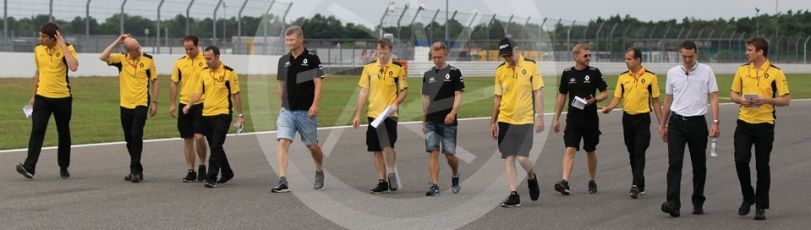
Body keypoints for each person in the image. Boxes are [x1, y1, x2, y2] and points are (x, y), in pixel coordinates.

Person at [730, 37, 791, 220]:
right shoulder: (742, 70)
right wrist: (740, 100)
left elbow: (786, 100)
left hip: (765, 124)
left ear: (760, 52)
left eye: (750, 50)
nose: (747, 53)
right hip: (744, 123)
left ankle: (761, 205)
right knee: (740, 160)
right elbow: (733, 94)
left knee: (762, 166)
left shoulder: (775, 73)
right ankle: (748, 196)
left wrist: (765, 100)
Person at [659, 40, 720, 217]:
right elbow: (668, 101)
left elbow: (713, 97)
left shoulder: (706, 71)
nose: (687, 60)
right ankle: (673, 203)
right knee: (674, 163)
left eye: (690, 56)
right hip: (676, 123)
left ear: (696, 53)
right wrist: (663, 125)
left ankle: (698, 201)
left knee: (699, 165)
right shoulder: (672, 73)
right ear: (680, 53)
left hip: (697, 123)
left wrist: (715, 122)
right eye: (684, 56)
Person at [16, 22, 79, 180]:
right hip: (42, 97)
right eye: (40, 36)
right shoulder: (38, 49)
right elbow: (38, 72)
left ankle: (63, 166)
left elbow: (73, 67)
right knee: (37, 130)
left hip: (62, 98)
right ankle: (29, 167)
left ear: (53, 38)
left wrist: (63, 45)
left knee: (63, 132)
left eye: (44, 36)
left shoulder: (67, 48)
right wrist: (33, 95)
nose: (40, 39)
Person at [601, 48, 663, 199]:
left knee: (639, 151)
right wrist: (609, 108)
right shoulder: (623, 77)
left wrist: (662, 123)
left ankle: (635, 184)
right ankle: (640, 183)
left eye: (629, 59)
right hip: (627, 119)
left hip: (643, 119)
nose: (626, 61)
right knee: (632, 152)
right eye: (626, 58)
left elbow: (655, 101)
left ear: (638, 60)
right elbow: (617, 97)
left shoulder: (650, 77)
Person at [271, 26, 326, 193]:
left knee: (313, 146)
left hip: (306, 111)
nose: (289, 43)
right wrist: (281, 104)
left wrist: (315, 105)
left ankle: (319, 171)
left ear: (301, 39)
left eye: (292, 39)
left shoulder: (312, 59)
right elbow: (281, 85)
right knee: (283, 141)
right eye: (287, 40)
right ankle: (283, 180)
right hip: (287, 111)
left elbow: (318, 84)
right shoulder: (283, 60)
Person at [490, 38, 543, 207]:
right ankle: (514, 194)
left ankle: (531, 176)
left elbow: (538, 92)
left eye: (509, 55)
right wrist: (493, 122)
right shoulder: (500, 70)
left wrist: (540, 116)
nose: (507, 59)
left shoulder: (531, 65)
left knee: (522, 158)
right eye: (504, 56)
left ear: (516, 50)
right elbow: (497, 97)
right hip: (505, 120)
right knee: (509, 158)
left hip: (525, 120)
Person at [351, 38, 408, 194]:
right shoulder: (369, 68)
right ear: (377, 51)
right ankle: (382, 181)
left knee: (388, 145)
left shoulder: (398, 68)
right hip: (373, 114)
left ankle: (391, 172)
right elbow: (363, 91)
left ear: (390, 51)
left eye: (385, 53)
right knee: (376, 148)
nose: (382, 55)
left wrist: (396, 103)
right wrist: (358, 113)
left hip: (389, 114)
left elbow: (404, 91)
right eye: (380, 52)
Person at [99, 34, 158, 183]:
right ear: (127, 50)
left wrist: (155, 102)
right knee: (128, 138)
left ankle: (134, 171)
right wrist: (117, 42)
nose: (138, 50)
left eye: (138, 47)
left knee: (136, 134)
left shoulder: (148, 59)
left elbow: (155, 81)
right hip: (125, 104)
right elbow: (103, 57)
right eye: (134, 49)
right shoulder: (121, 59)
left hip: (141, 102)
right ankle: (138, 168)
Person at [184, 46, 245, 188]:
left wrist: (240, 115)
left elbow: (236, 95)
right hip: (206, 114)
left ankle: (211, 177)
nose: (206, 61)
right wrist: (189, 105)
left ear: (217, 56)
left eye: (209, 58)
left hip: (223, 114)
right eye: (205, 58)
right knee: (214, 146)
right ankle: (227, 172)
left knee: (216, 145)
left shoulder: (229, 73)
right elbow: (198, 92)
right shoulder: (204, 72)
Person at [552, 44, 608, 195]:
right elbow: (562, 96)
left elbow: (605, 93)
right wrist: (556, 118)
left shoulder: (594, 72)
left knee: (590, 150)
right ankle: (565, 182)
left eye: (589, 55)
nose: (588, 58)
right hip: (573, 120)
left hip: (590, 120)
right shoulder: (567, 73)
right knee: (570, 149)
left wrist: (594, 99)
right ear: (576, 56)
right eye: (585, 55)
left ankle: (592, 180)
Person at [421, 41, 464, 196]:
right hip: (432, 121)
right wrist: (424, 120)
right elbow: (425, 98)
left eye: (439, 57)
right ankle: (435, 185)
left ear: (445, 55)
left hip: (448, 121)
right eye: (434, 57)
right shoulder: (428, 75)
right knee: (433, 152)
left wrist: (453, 113)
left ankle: (455, 175)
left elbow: (458, 95)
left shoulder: (454, 72)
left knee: (449, 154)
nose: (437, 60)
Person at [169, 35, 209, 183]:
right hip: (184, 103)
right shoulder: (180, 62)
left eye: (191, 49)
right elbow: (174, 83)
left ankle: (202, 164)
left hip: (201, 103)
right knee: (187, 139)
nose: (188, 51)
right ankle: (191, 170)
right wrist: (172, 104)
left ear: (197, 46)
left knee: (199, 137)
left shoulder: (206, 60)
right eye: (186, 49)